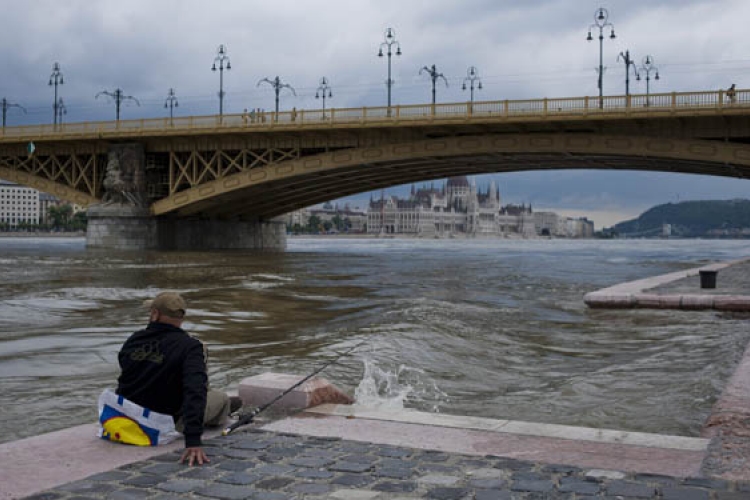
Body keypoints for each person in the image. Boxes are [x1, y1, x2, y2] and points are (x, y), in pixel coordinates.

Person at [116, 292, 239, 466]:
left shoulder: (134, 339)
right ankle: (222, 409)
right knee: (220, 398)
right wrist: (193, 440)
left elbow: (125, 373)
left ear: (155, 314)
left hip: (126, 417)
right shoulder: (190, 346)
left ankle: (216, 404)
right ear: (181, 318)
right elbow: (194, 390)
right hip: (166, 422)